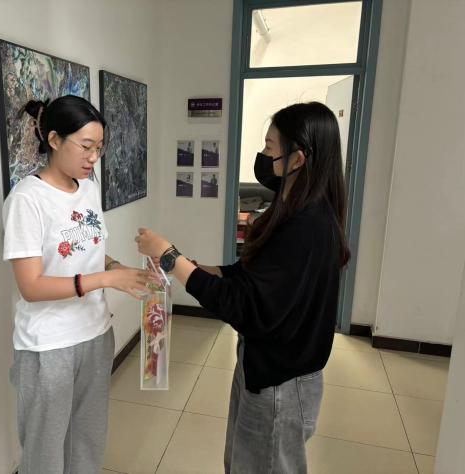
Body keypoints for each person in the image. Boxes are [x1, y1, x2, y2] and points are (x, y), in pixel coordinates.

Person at [136, 102, 350, 474]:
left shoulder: (307, 226)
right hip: (262, 367)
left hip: (280, 383)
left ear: (297, 159)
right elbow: (255, 276)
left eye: (270, 147)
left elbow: (247, 307)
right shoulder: (294, 210)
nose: (263, 155)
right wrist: (205, 270)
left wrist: (170, 257)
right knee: (241, 463)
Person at [3, 95, 152, 474]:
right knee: (45, 451)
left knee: (87, 438)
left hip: (95, 333)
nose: (93, 158)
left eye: (99, 148)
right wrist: (106, 279)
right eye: (86, 146)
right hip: (49, 345)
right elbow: (32, 286)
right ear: (54, 139)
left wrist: (117, 268)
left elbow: (87, 251)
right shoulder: (27, 199)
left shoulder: (86, 187)